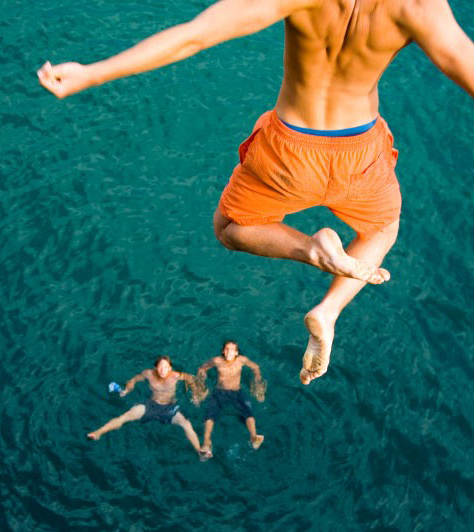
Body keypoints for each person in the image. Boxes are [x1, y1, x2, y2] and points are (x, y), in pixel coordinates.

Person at [38, 0, 474, 385]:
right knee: (382, 229)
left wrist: (91, 75)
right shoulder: (419, 7)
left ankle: (310, 249)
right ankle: (329, 310)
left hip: (289, 149)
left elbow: (194, 36)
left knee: (229, 226)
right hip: (359, 152)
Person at [87, 355, 210, 459]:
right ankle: (98, 432)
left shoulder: (176, 376)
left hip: (169, 408)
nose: (163, 370)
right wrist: (127, 390)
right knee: (124, 417)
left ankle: (199, 451)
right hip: (151, 405)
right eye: (160, 367)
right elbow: (134, 380)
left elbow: (191, 379)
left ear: (170, 368)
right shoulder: (148, 374)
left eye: (166, 367)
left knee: (186, 424)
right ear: (156, 367)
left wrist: (195, 394)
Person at [195, 341, 265, 457]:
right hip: (219, 392)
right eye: (227, 349)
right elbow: (202, 368)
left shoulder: (241, 360)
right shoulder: (217, 361)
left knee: (249, 415)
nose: (229, 351)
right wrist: (201, 383)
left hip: (236, 392)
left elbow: (255, 366)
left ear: (236, 352)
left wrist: (257, 380)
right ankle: (207, 443)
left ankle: (253, 437)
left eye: (232, 349)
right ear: (223, 351)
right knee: (209, 417)